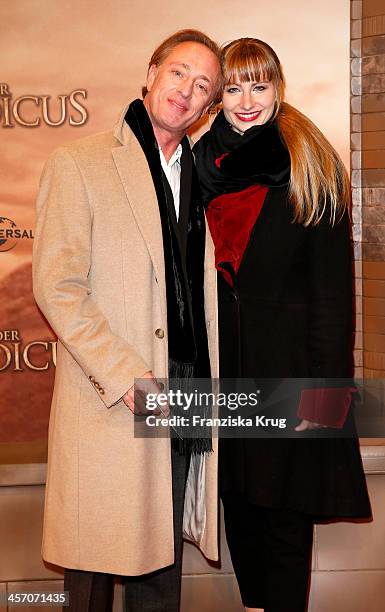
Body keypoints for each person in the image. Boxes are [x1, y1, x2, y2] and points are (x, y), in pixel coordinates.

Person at [33, 29, 222, 612]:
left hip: (182, 402)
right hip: (115, 403)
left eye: (202, 87)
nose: (186, 91)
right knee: (91, 580)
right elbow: (58, 288)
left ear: (209, 107)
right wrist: (128, 380)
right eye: (178, 73)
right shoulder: (81, 162)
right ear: (150, 73)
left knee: (159, 581)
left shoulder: (206, 181)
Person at [194, 38, 372, 612]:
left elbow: (332, 300)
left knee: (285, 520)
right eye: (233, 88)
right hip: (221, 376)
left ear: (278, 89)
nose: (247, 101)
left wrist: (325, 399)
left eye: (259, 86)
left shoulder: (311, 163)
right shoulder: (196, 165)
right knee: (239, 507)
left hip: (291, 374)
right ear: (217, 96)